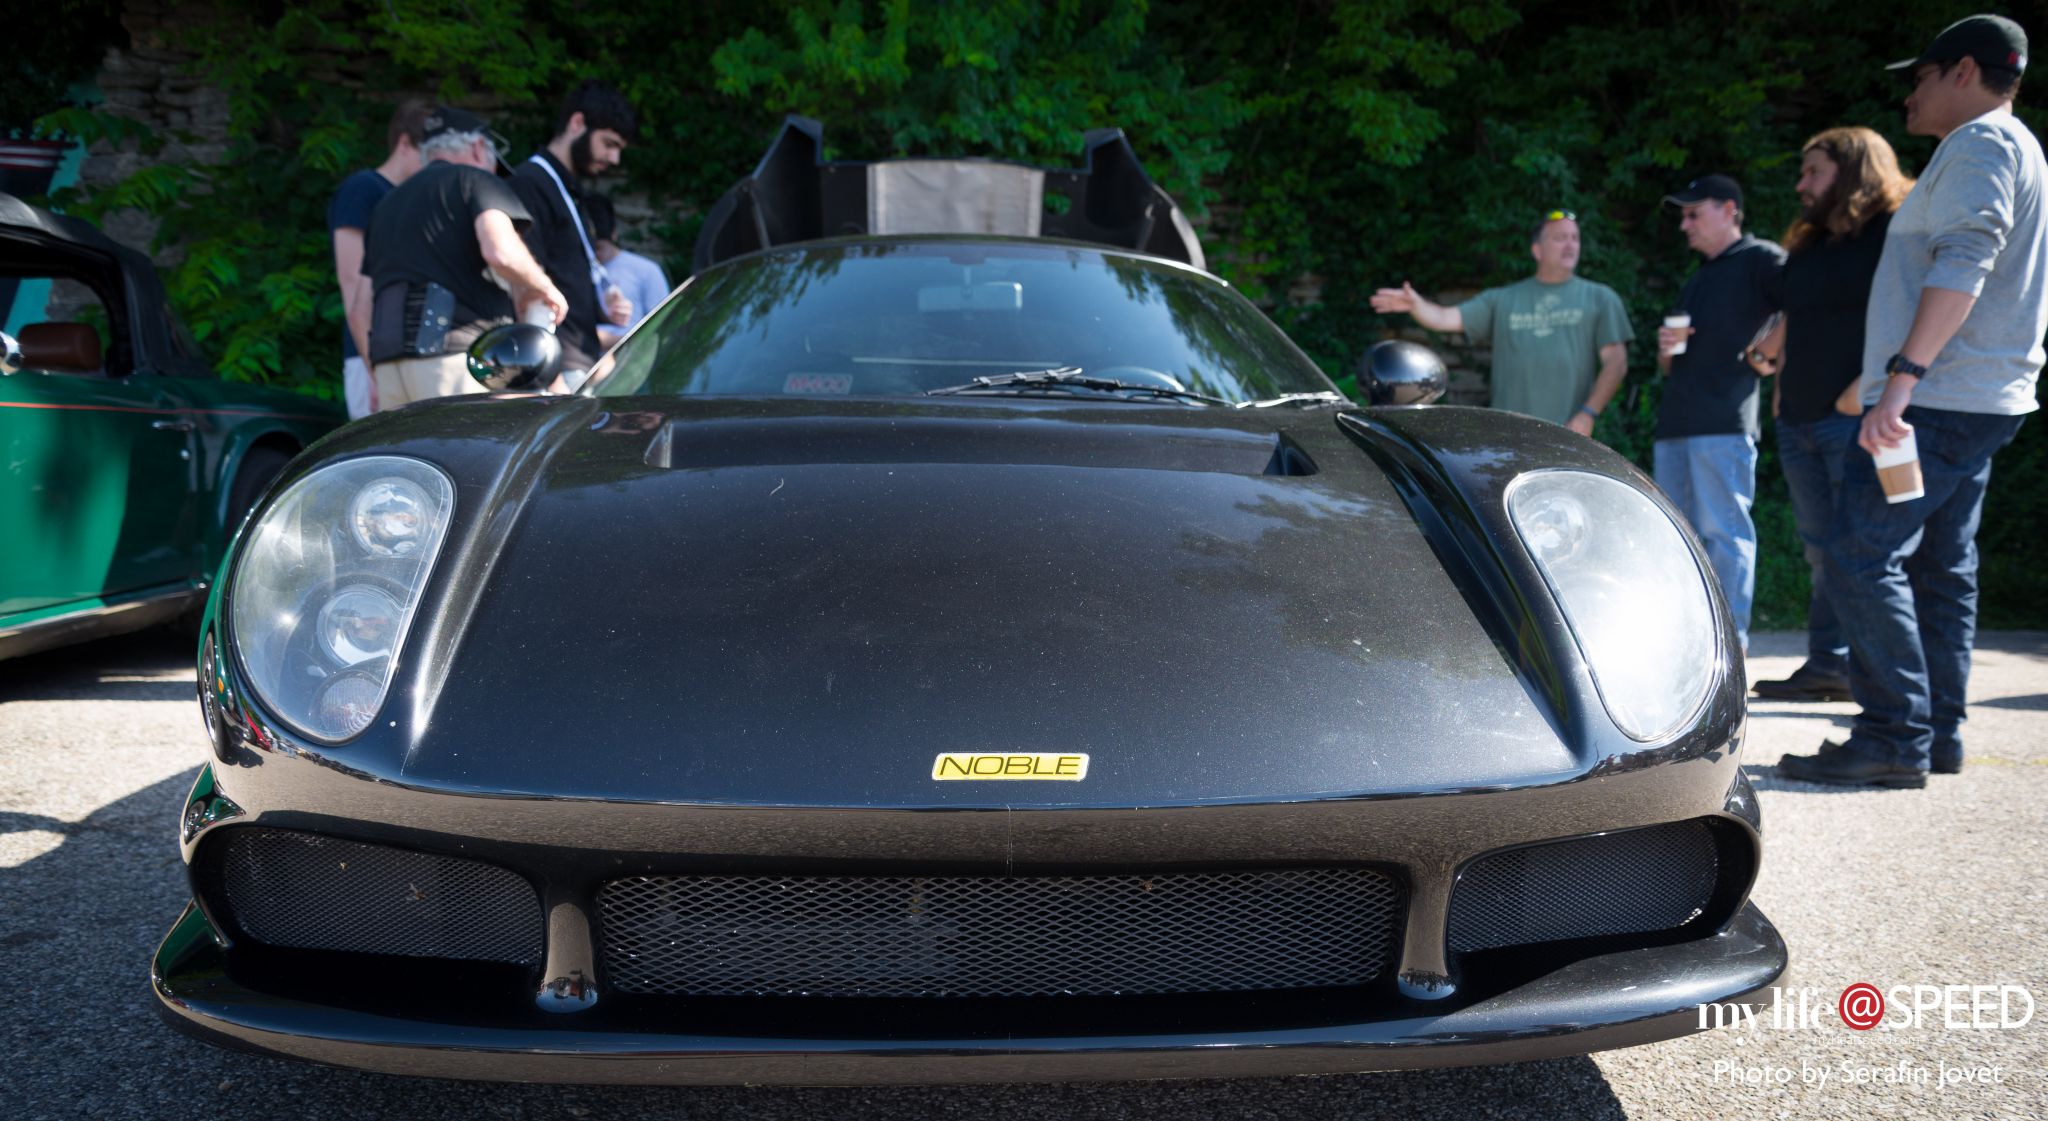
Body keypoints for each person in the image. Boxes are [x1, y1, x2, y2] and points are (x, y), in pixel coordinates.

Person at [1780, 14, 2043, 788]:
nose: (1908, 96)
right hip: (1975, 397)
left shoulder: (1980, 144)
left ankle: (1893, 735)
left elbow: (1965, 260)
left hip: (1937, 399)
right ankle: (1938, 734)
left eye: (1920, 77)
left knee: (1859, 555)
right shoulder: (2013, 145)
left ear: (1962, 71)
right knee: (1939, 564)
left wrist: (1900, 382)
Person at [1746, 129, 1914, 702]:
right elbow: (1796, 315)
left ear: (1853, 170)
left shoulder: (1894, 231)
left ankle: (1880, 681)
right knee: (1820, 549)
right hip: (1800, 420)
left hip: (1864, 420)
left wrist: (1863, 391)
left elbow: (1920, 316)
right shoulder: (1811, 241)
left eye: (1814, 171)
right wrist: (1778, 376)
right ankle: (1828, 665)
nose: (1802, 184)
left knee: (1866, 551)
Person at [1653, 174, 1786, 651]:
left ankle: (1730, 648)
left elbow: (1805, 304)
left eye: (1694, 213)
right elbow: (1670, 367)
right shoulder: (1700, 276)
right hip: (1675, 425)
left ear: (1729, 210)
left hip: (1724, 424)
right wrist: (1667, 349)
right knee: (1675, 538)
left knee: (1724, 535)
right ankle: (1686, 648)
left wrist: (1765, 354)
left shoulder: (1762, 259)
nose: (1684, 224)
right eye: (1683, 215)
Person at [362, 107, 566, 410]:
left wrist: (373, 372)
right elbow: (501, 252)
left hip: (388, 370)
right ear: (479, 148)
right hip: (456, 364)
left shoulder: (385, 205)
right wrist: (545, 287)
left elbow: (361, 304)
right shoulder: (475, 179)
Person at [1370, 210, 1633, 434]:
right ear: (1537, 250)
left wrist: (1588, 414)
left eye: (1575, 238)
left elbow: (1617, 362)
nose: (1570, 245)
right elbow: (1445, 319)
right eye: (1560, 238)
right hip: (1509, 436)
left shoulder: (1601, 298)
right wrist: (1417, 305)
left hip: (1572, 436)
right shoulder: (1504, 299)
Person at [510, 81, 638, 369]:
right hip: (555, 364)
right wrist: (546, 371)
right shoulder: (530, 184)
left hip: (582, 361)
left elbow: (564, 276)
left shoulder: (571, 191)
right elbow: (523, 283)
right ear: (577, 123)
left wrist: (603, 307)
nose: (614, 159)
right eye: (609, 144)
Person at [328, 99, 429, 419]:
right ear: (404, 143)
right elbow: (351, 280)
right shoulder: (363, 189)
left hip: (406, 356)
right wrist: (373, 369)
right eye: (427, 153)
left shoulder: (414, 197)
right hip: (371, 355)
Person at [583, 193, 669, 334]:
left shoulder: (647, 271)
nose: (595, 254)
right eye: (590, 248)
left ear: (614, 234)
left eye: (599, 247)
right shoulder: (578, 271)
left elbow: (663, 326)